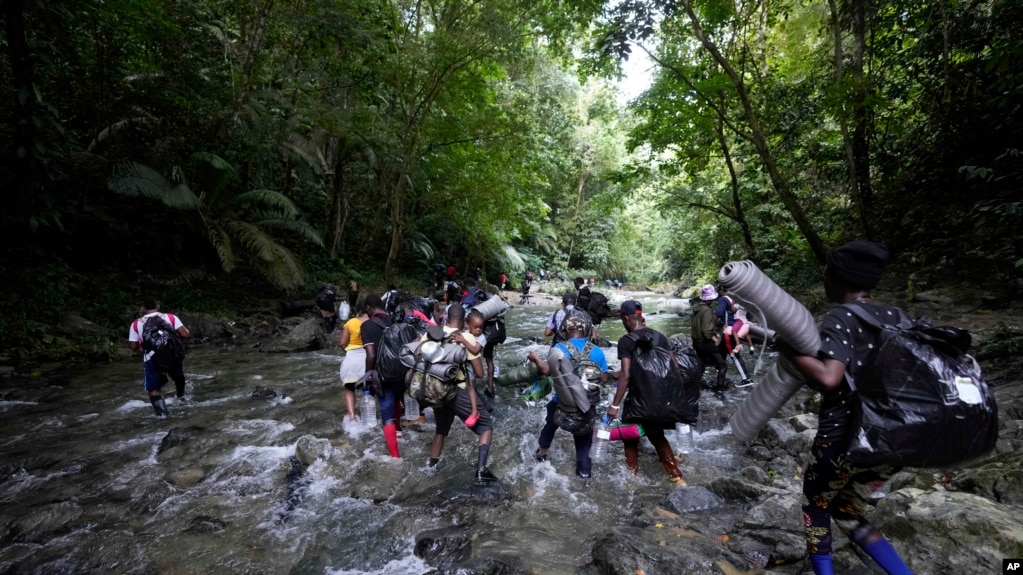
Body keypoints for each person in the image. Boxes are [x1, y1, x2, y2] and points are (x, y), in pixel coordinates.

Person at [782, 240, 913, 575]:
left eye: (827, 273)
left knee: (815, 505)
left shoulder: (842, 316)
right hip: (892, 441)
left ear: (838, 279)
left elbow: (829, 377)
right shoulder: (897, 316)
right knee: (846, 510)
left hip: (845, 437)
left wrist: (790, 351)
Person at [606, 301, 686, 485]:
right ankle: (676, 476)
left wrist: (614, 405)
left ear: (626, 318)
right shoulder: (659, 336)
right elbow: (674, 367)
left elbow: (626, 375)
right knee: (657, 434)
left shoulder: (626, 341)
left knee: (629, 437)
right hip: (659, 398)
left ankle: (632, 478)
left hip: (638, 399)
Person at [426, 305, 496, 482]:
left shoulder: (431, 333)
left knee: (440, 429)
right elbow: (479, 373)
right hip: (458, 391)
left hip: (435, 389)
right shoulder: (466, 337)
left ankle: (431, 467)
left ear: (446, 317)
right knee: (486, 426)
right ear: (465, 321)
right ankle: (481, 471)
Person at [534, 316, 609, 479]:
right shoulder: (597, 351)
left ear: (566, 331)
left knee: (550, 424)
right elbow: (603, 377)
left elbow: (548, 371)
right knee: (583, 442)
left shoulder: (559, 348)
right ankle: (583, 475)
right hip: (587, 406)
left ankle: (542, 453)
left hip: (562, 403)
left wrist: (535, 359)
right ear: (585, 331)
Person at [128, 297, 191, 417]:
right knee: (178, 377)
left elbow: (133, 346)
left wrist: (145, 350)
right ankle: (181, 399)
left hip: (151, 358)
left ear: (142, 308)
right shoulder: (171, 317)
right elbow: (186, 335)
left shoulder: (136, 324)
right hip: (173, 355)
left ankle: (163, 417)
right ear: (158, 306)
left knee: (153, 389)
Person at [360, 294, 403, 457]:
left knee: (386, 411)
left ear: (369, 308)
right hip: (402, 370)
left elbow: (371, 355)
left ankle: (395, 456)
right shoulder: (395, 320)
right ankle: (399, 433)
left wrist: (368, 375)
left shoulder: (367, 326)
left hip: (384, 373)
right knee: (397, 400)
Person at [692, 284, 728, 399]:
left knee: (701, 365)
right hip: (705, 342)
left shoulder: (697, 309)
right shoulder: (707, 310)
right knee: (722, 366)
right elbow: (706, 330)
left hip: (697, 343)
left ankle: (695, 387)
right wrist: (714, 338)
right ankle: (719, 391)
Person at [339, 303, 369, 423]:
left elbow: (342, 342)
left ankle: (352, 416)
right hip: (368, 358)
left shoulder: (351, 322)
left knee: (349, 389)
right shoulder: (375, 321)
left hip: (352, 358)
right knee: (370, 389)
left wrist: (348, 351)